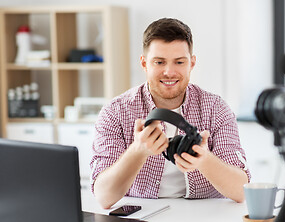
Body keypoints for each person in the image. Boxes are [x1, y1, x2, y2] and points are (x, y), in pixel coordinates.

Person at [90, 18, 250, 209]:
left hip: (205, 215)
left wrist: (205, 160)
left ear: (191, 63)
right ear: (144, 63)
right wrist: (138, 151)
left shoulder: (216, 108)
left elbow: (242, 191)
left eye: (179, 62)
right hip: (141, 216)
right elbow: (103, 196)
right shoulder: (114, 112)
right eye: (159, 62)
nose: (169, 72)